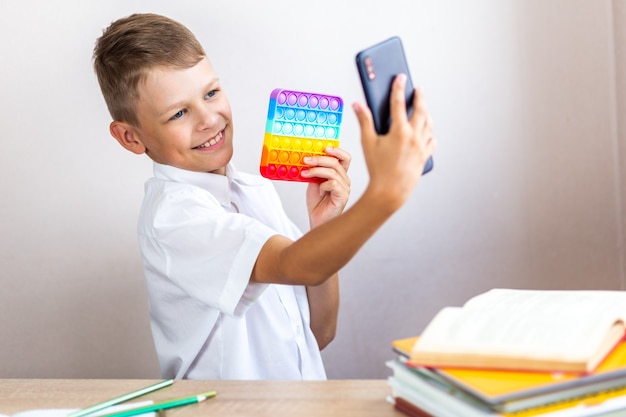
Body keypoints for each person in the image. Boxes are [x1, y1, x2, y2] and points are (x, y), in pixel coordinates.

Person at [92, 13, 436, 380]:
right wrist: (385, 193)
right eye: (179, 113)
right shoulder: (173, 218)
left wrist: (324, 226)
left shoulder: (256, 192)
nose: (209, 119)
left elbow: (320, 332)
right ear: (131, 137)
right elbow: (298, 264)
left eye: (211, 93)